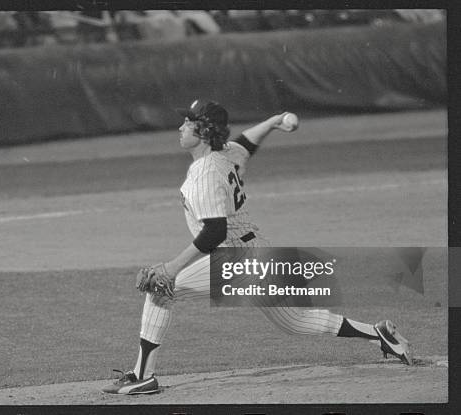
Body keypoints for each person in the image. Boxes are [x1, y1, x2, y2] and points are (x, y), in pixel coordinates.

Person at [102, 99, 412, 395]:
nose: (181, 127)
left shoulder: (206, 174)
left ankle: (142, 377)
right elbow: (247, 143)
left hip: (235, 255)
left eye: (189, 122)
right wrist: (273, 122)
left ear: (205, 131)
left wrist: (172, 267)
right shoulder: (225, 154)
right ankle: (378, 334)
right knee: (296, 322)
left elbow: (214, 231)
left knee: (161, 289)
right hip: (254, 251)